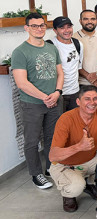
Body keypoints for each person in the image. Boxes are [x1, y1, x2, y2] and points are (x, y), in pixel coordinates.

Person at [12, 12, 64, 188]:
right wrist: (44, 97)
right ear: (26, 28)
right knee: (32, 141)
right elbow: (21, 83)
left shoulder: (51, 48)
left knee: (52, 138)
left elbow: (60, 73)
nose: (39, 29)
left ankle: (51, 167)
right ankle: (36, 174)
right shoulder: (20, 52)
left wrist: (57, 92)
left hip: (54, 101)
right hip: (32, 104)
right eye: (34, 26)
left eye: (42, 25)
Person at [48, 85, 97, 212]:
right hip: (65, 165)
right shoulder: (66, 119)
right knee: (76, 186)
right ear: (78, 102)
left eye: (95, 98)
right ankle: (68, 194)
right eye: (87, 99)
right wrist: (79, 146)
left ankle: (90, 183)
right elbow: (53, 156)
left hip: (90, 160)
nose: (92, 102)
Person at [49, 16, 82, 111]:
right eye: (62, 28)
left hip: (75, 92)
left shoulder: (78, 44)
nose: (67, 30)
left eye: (69, 27)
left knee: (75, 119)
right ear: (55, 30)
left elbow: (78, 67)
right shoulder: (50, 45)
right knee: (59, 120)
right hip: (57, 94)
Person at [77, 10, 97, 99]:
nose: (89, 21)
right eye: (85, 19)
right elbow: (73, 63)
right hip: (82, 84)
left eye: (92, 19)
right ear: (80, 21)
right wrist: (89, 77)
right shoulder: (73, 39)